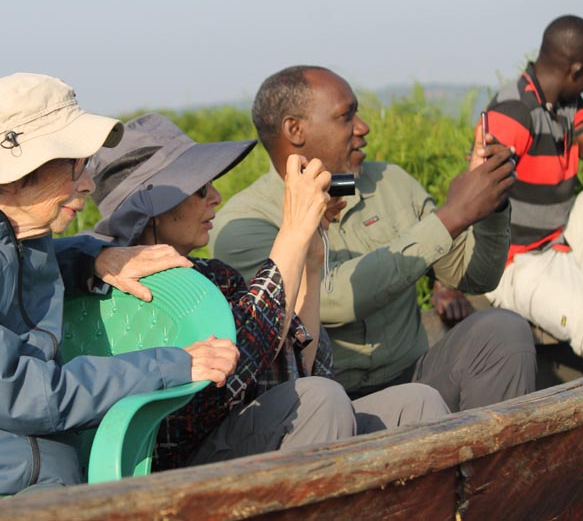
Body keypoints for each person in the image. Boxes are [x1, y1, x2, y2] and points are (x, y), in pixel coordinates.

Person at [0, 74, 239, 517]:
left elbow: (12, 263)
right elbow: (20, 393)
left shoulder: (18, 239)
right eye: (75, 166)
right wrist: (169, 364)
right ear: (18, 173)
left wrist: (93, 257)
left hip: (39, 483)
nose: (88, 184)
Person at [88, 113, 449, 470]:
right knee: (319, 402)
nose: (215, 196)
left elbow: (303, 371)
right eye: (200, 189)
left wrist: (309, 257)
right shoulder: (122, 293)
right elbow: (234, 369)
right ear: (153, 210)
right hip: (181, 465)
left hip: (247, 437)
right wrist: (290, 232)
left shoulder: (215, 276)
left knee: (416, 403)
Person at [211, 65, 538, 412]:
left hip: (414, 375)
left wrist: (489, 205)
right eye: (345, 116)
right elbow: (333, 299)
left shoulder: (391, 182)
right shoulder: (242, 223)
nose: (363, 128)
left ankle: (495, 465)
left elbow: (475, 277)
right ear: (295, 130)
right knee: (369, 404)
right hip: (324, 408)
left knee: (504, 330)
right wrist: (451, 217)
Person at [481, 15, 583, 360]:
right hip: (518, 263)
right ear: (575, 70)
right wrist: (447, 280)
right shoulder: (514, 110)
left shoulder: (569, 103)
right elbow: (476, 196)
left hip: (558, 241)